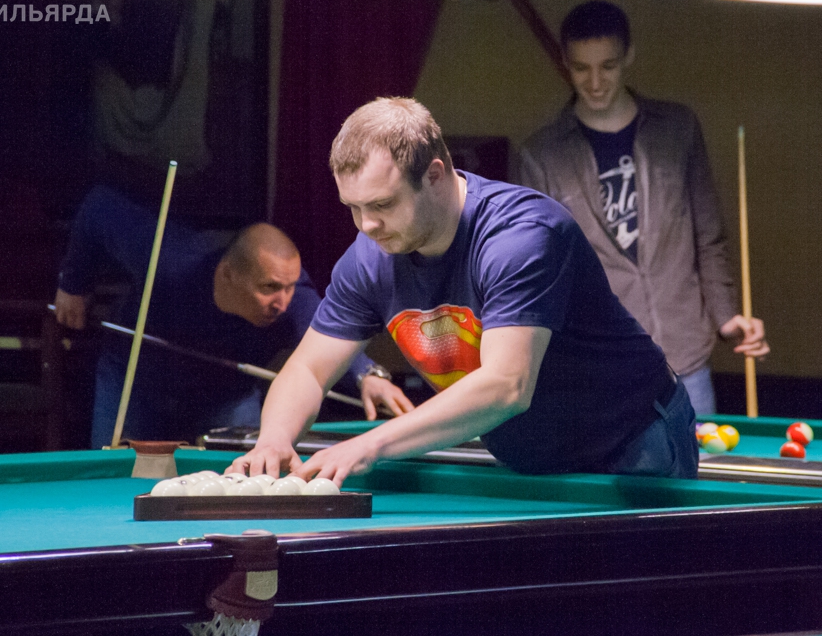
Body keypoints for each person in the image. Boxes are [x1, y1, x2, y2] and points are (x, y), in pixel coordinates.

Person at [226, 97, 698, 485]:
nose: (366, 225)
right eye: (353, 207)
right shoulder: (369, 259)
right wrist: (274, 439)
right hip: (533, 458)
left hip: (633, 442)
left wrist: (370, 444)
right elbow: (308, 370)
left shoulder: (522, 236)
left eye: (382, 204)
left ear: (434, 175)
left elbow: (506, 386)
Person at [517, 0, 769, 416]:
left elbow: (708, 236)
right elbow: (539, 269)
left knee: (697, 458)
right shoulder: (541, 155)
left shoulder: (677, 129)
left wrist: (727, 317)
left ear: (629, 55)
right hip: (599, 364)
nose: (595, 82)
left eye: (608, 66)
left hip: (684, 355)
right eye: (581, 68)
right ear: (565, 63)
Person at [54, 185, 413, 448]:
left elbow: (328, 336)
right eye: (269, 287)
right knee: (117, 477)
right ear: (228, 275)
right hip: (136, 380)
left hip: (226, 395)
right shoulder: (172, 261)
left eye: (290, 286)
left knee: (247, 481)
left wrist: (369, 376)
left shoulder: (293, 300)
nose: (283, 302)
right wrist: (73, 285)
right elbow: (98, 207)